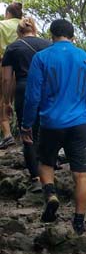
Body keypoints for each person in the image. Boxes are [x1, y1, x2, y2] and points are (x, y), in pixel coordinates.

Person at [21, 19, 86, 235]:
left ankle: (51, 195)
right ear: (72, 36)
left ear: (51, 35)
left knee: (46, 163)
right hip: (80, 124)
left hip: (50, 123)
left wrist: (26, 125)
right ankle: (79, 222)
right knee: (81, 175)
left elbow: (32, 96)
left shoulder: (41, 58)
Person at [2, 17, 51, 183]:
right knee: (46, 128)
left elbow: (7, 79)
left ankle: (35, 175)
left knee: (27, 130)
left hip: (23, 89)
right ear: (34, 29)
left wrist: (7, 101)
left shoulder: (12, 48)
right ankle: (49, 170)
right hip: (45, 89)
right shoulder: (47, 45)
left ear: (18, 32)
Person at [0, 1, 23, 148]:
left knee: (2, 100)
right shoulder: (25, 25)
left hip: (2, 64)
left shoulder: (1, 25)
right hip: (21, 68)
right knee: (20, 100)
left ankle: (7, 134)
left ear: (8, 13)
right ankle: (25, 134)